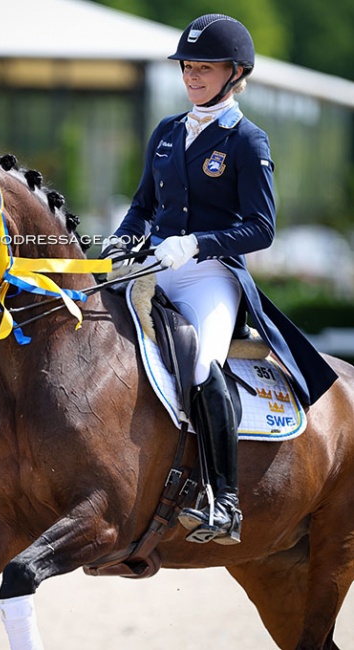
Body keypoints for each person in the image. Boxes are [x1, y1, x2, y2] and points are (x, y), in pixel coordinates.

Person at [102, 13, 338, 545]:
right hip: (156, 269)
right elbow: (142, 205)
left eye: (204, 67)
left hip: (209, 277)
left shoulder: (248, 142)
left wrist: (199, 244)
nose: (191, 75)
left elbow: (262, 228)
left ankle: (224, 500)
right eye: (187, 66)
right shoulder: (166, 133)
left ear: (235, 73)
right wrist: (123, 238)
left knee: (204, 365)